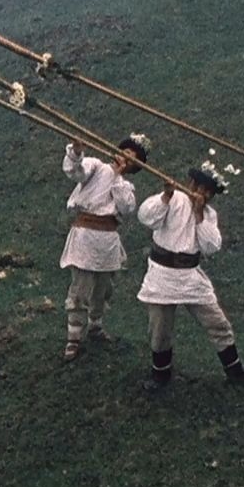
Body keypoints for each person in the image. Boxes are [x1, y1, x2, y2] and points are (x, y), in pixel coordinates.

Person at [136, 159, 244, 391]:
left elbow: (212, 246)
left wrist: (199, 214)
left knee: (218, 323)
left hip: (191, 277)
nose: (202, 194)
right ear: (190, 183)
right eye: (199, 188)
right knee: (160, 331)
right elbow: (146, 217)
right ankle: (160, 377)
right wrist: (165, 196)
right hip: (162, 275)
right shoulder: (173, 199)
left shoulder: (209, 214)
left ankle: (236, 373)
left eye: (208, 192)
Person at [60, 134, 149, 361]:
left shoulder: (126, 186)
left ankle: (96, 326)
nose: (125, 159)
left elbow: (126, 207)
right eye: (125, 154)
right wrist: (77, 152)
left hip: (108, 239)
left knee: (103, 287)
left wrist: (118, 177)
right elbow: (75, 171)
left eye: (132, 159)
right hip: (85, 235)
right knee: (80, 287)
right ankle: (74, 337)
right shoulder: (96, 166)